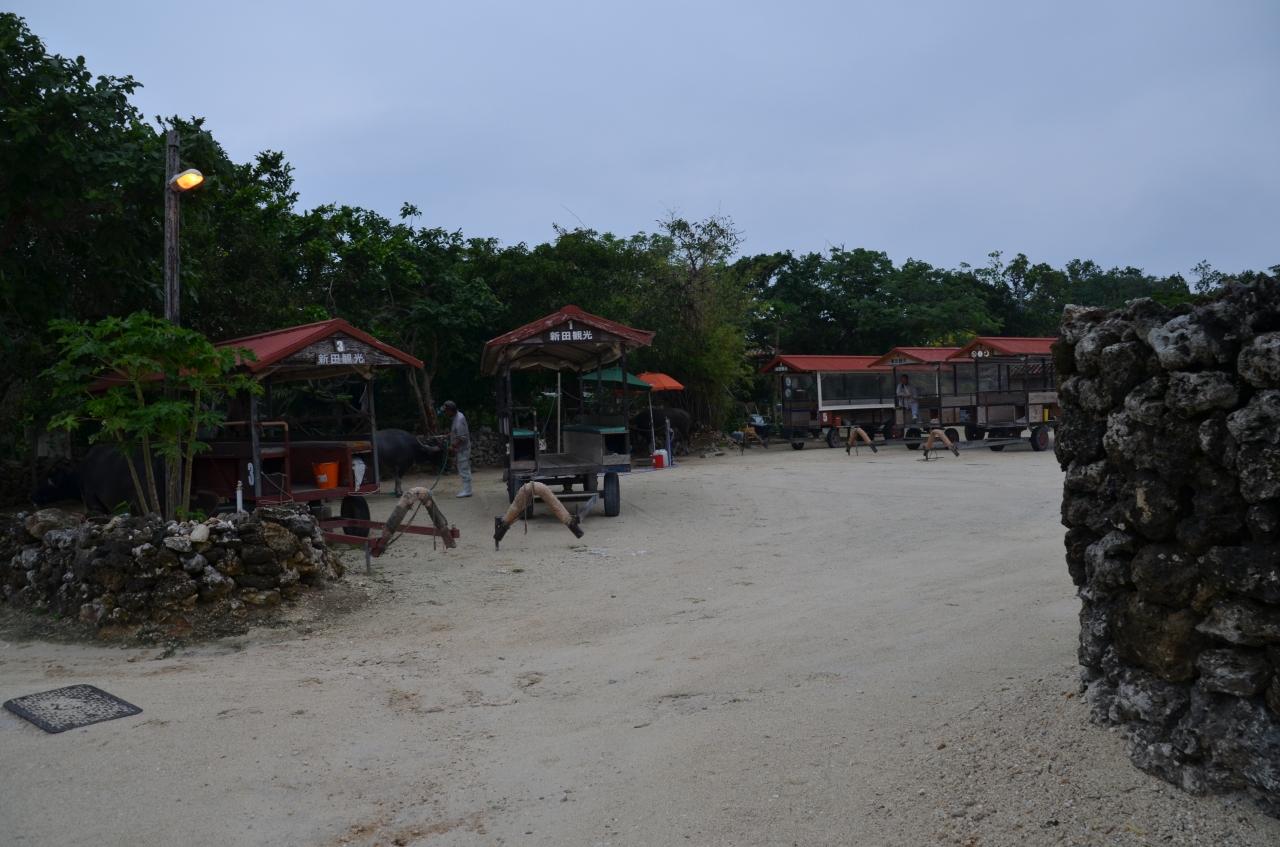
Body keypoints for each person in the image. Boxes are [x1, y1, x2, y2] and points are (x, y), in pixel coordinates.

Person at [443, 400, 472, 498]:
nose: (446, 413)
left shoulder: (459, 419)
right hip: (461, 449)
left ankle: (467, 491)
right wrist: (450, 434)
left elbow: (462, 437)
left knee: (464, 469)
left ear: (451, 410)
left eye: (446, 411)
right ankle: (467, 489)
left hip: (463, 449)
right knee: (462, 468)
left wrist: (453, 446)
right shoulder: (456, 417)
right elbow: (457, 432)